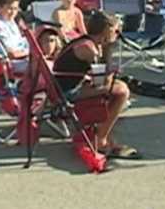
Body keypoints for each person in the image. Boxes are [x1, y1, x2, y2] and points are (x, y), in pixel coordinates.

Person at [52, 11, 137, 159]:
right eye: (115, 30)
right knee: (122, 91)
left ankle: (101, 132)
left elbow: (101, 79)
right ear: (106, 30)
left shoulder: (86, 41)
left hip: (69, 84)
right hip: (66, 92)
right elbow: (105, 81)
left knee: (119, 86)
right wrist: (109, 48)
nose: (117, 33)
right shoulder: (89, 49)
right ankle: (100, 139)